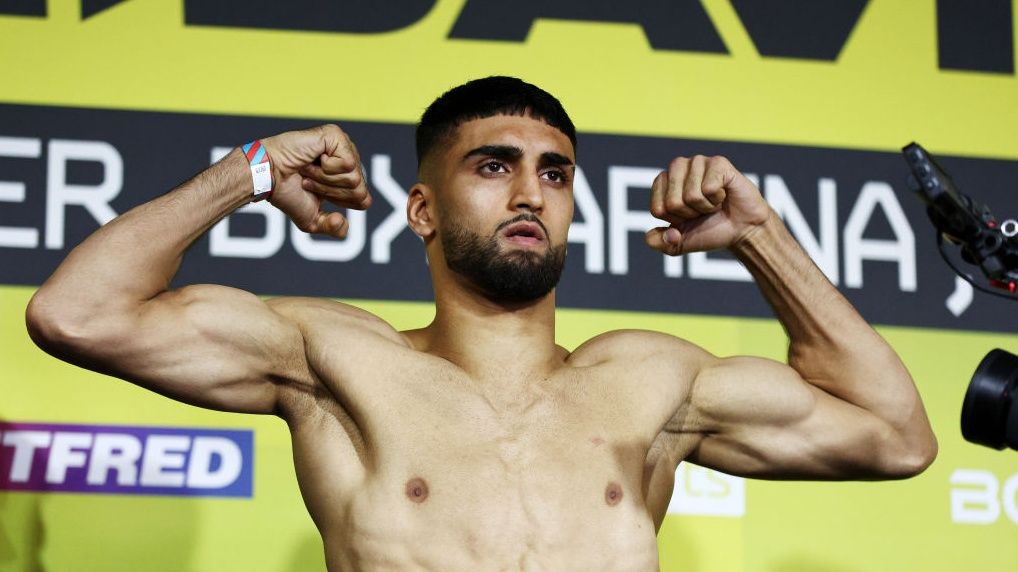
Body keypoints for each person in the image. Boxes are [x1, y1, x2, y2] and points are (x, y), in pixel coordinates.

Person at [26, 76, 937, 571]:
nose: (531, 191)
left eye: (554, 171)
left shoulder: (653, 382)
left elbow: (896, 437)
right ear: (423, 211)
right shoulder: (335, 359)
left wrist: (761, 236)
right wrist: (250, 170)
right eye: (494, 166)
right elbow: (77, 314)